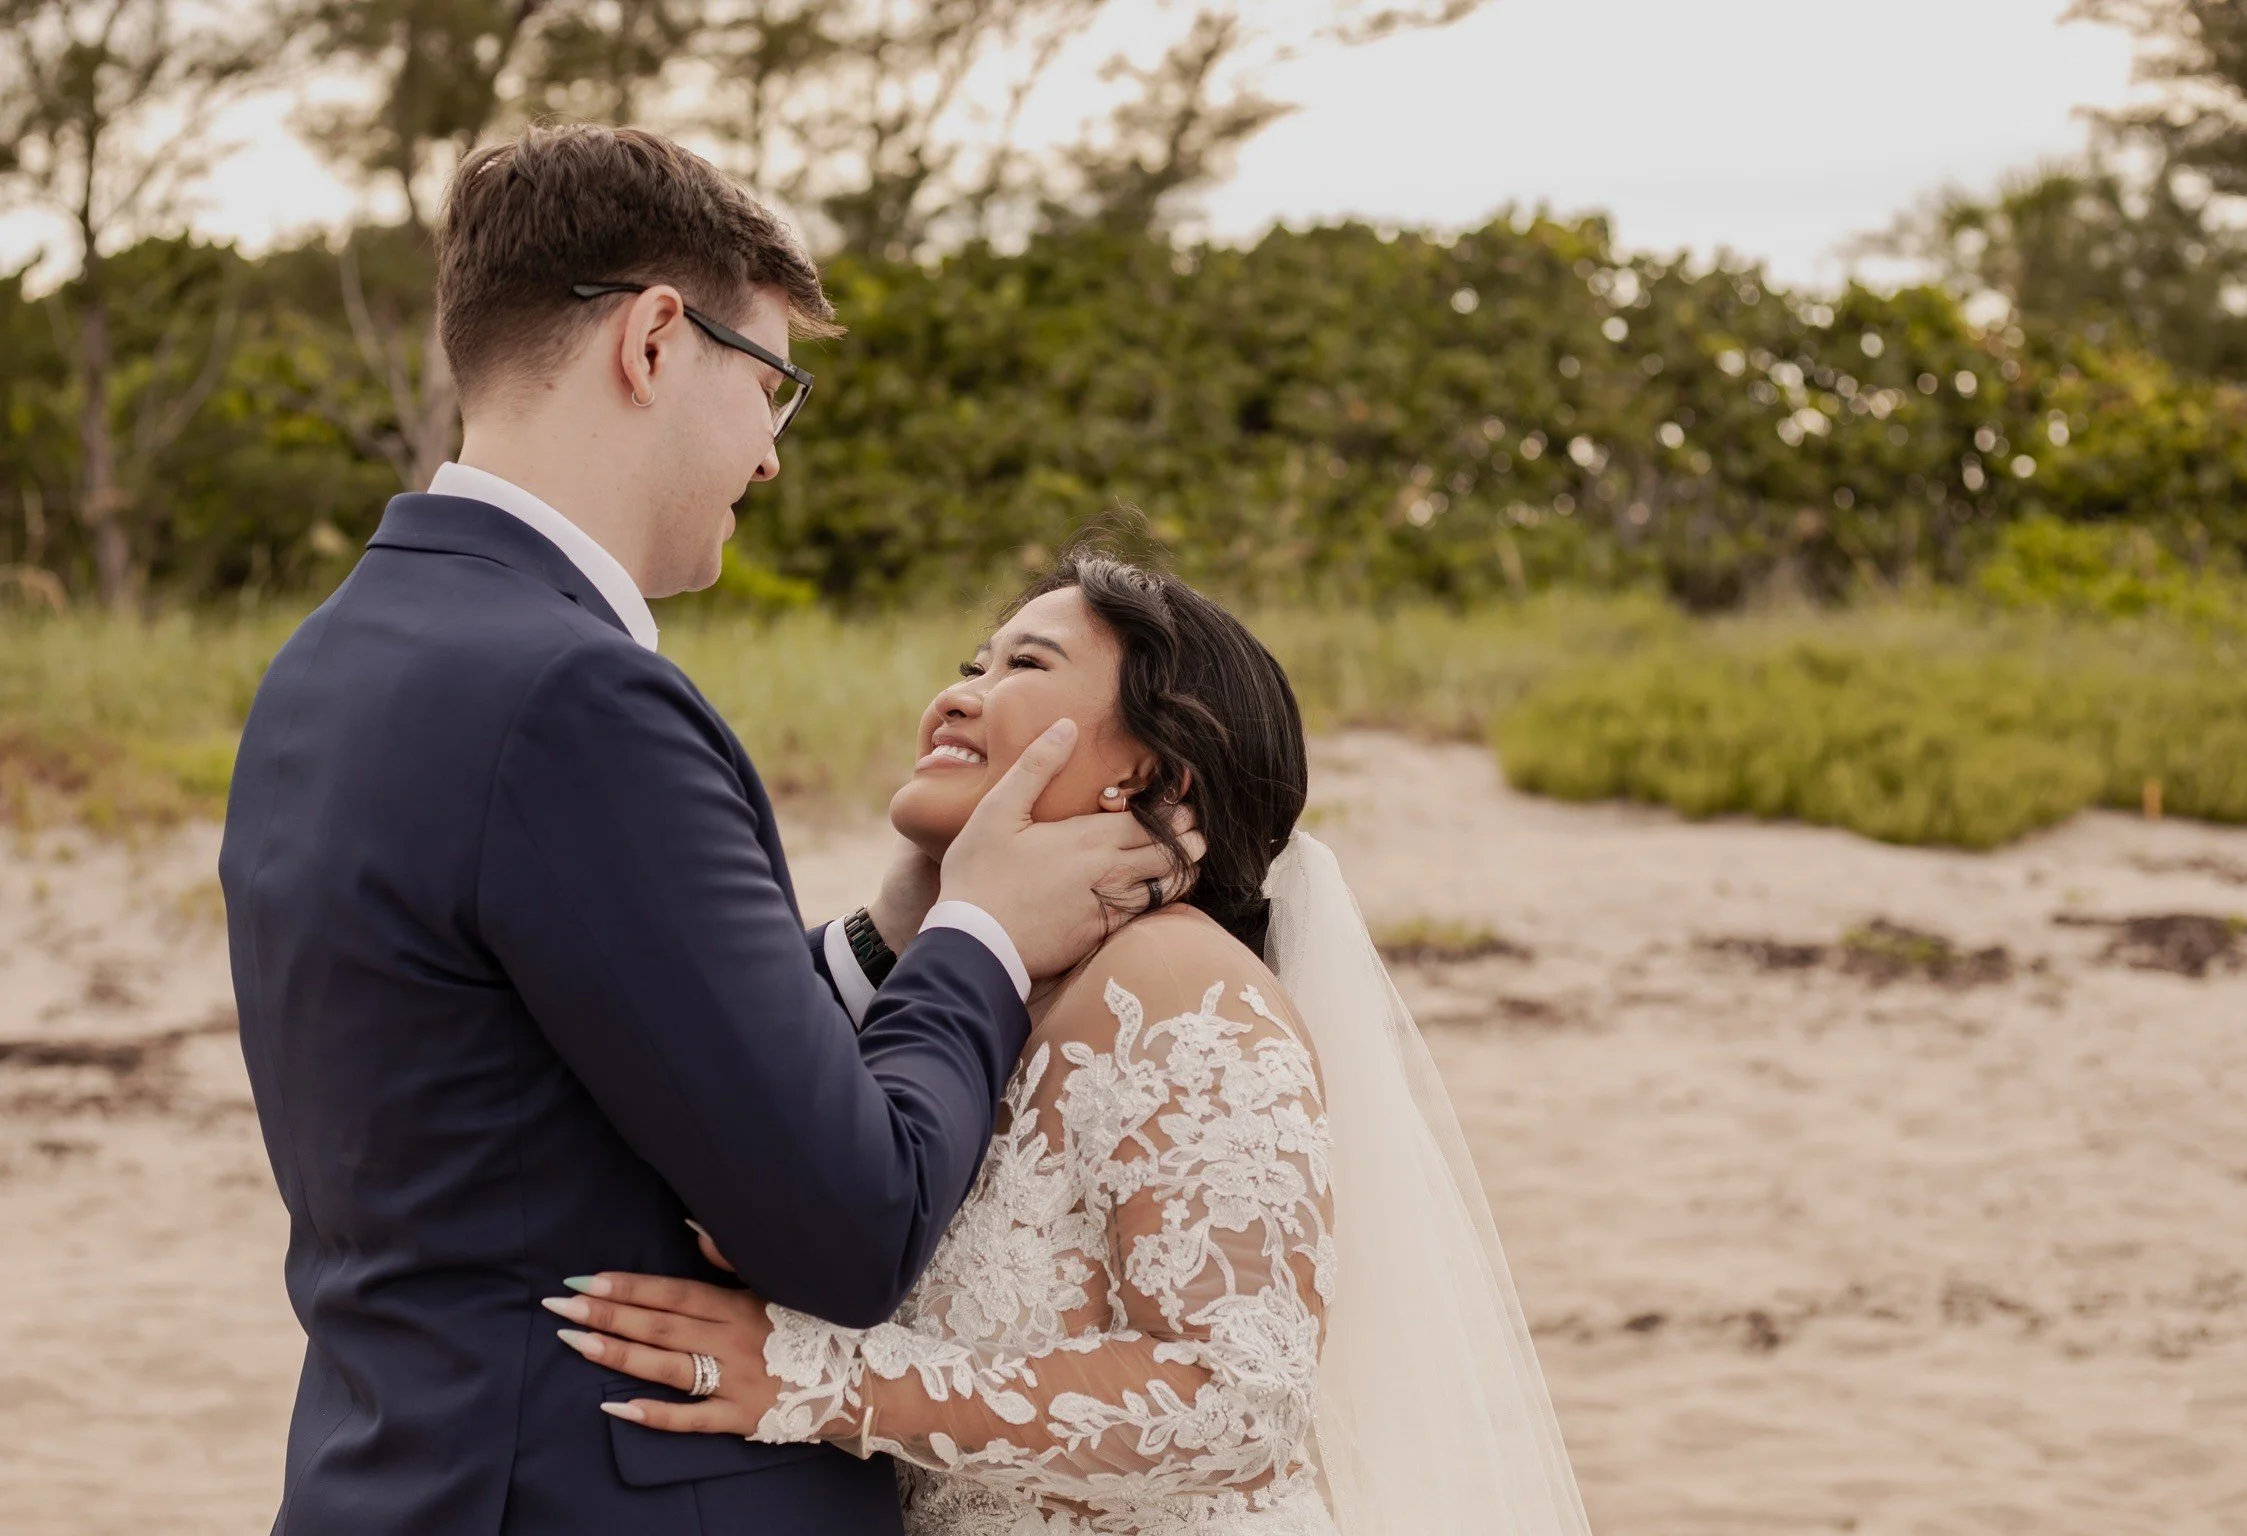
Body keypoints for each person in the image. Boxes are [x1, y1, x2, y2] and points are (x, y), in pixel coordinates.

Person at [219, 124, 1197, 1536]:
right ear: (657, 340)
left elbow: (562, 1051)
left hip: (397, 1474)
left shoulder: (330, 659)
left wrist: (891, 936)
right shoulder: (578, 696)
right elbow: (851, 1230)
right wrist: (982, 933)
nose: (769, 455)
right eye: (771, 386)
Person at [546, 552, 1594, 1535]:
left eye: (1025, 667)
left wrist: (819, 1379)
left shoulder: (1177, 987)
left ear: (1152, 775)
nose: (957, 696)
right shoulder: (979, 993)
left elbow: (1241, 1403)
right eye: (973, 664)